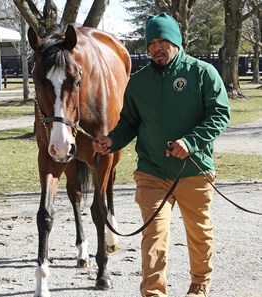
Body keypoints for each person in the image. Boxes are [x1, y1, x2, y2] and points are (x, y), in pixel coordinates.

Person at [93, 12, 230, 297]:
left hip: (194, 169)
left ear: (176, 41)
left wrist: (190, 142)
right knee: (153, 236)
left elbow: (220, 114)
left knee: (199, 232)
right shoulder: (138, 82)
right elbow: (129, 122)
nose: (156, 47)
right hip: (152, 171)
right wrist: (111, 141)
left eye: (162, 40)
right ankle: (153, 292)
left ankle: (200, 283)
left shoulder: (202, 73)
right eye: (151, 42)